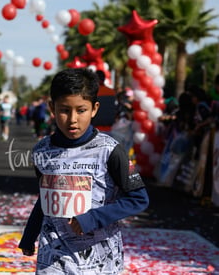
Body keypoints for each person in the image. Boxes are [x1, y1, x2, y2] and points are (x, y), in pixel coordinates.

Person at [18, 68, 149, 274]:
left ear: (94, 109)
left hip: (99, 261)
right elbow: (45, 198)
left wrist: (92, 218)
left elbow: (139, 199)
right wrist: (29, 235)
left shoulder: (110, 150)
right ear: (52, 108)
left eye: (81, 110)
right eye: (64, 110)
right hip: (53, 257)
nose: (72, 119)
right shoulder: (41, 150)